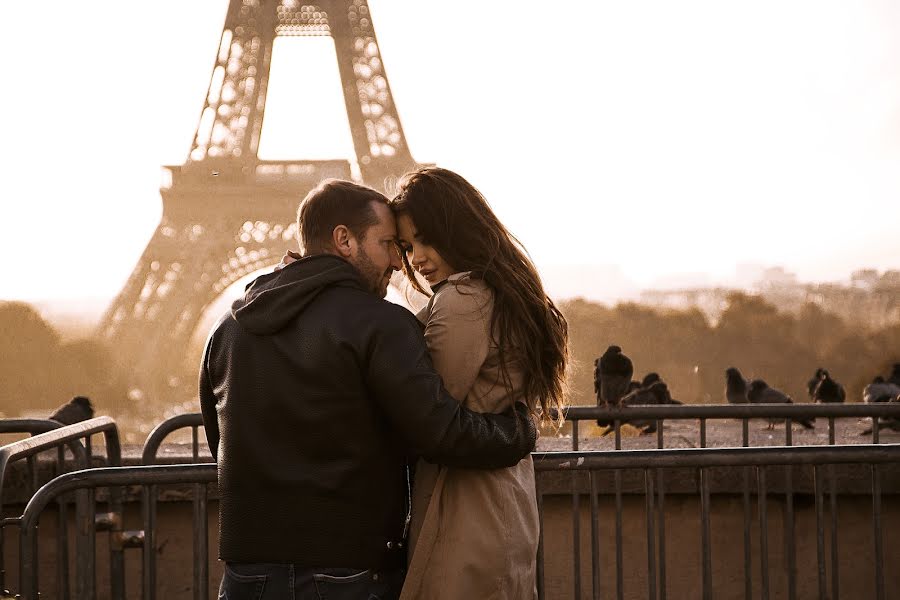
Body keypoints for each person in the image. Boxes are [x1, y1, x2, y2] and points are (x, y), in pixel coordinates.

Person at [199, 179, 537, 600]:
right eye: (388, 243)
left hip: (246, 572)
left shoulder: (228, 331)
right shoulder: (381, 323)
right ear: (344, 239)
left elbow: (220, 441)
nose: (399, 262)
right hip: (347, 570)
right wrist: (518, 432)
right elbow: (438, 432)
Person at [391, 167, 568, 600]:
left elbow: (427, 407)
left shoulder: (462, 299)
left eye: (426, 240)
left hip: (465, 506)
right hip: (501, 497)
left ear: (458, 230)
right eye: (408, 246)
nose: (417, 259)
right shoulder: (497, 291)